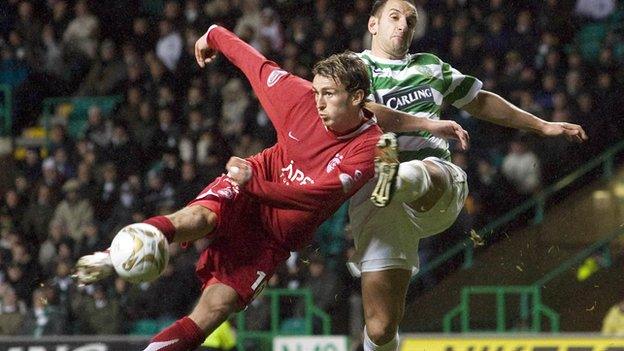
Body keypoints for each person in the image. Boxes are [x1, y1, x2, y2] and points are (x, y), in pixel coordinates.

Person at [72, 25, 469, 351]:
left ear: (358, 99)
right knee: (198, 217)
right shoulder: (299, 98)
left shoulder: (368, 150)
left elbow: (315, 198)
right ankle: (114, 254)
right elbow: (254, 63)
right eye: (316, 91)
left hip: (274, 235)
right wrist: (212, 35)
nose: (317, 103)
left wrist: (257, 185)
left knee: (215, 309)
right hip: (247, 192)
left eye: (328, 95)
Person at [348, 1, 589, 350]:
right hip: (379, 204)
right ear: (373, 25)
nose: (403, 25)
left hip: (435, 182)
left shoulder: (430, 67)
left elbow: (481, 101)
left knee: (424, 169)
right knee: (382, 326)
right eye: (395, 17)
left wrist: (542, 125)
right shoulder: (353, 68)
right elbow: (357, 109)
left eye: (411, 20)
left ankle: (397, 178)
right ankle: (393, 180)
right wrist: (429, 122)